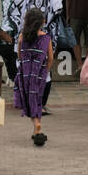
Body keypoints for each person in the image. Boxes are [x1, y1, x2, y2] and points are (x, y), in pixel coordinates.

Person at [7, 0, 67, 114]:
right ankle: (40, 103)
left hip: (25, 36)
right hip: (45, 37)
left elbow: (13, 9)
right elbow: (57, 10)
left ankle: (25, 101)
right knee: (45, 68)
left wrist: (23, 26)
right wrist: (45, 26)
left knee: (25, 65)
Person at [14, 8, 53, 146]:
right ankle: (36, 131)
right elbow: (50, 58)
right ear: (42, 22)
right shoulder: (46, 38)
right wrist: (45, 72)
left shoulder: (22, 37)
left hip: (25, 75)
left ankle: (36, 125)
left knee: (30, 102)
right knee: (38, 101)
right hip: (41, 76)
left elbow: (19, 56)